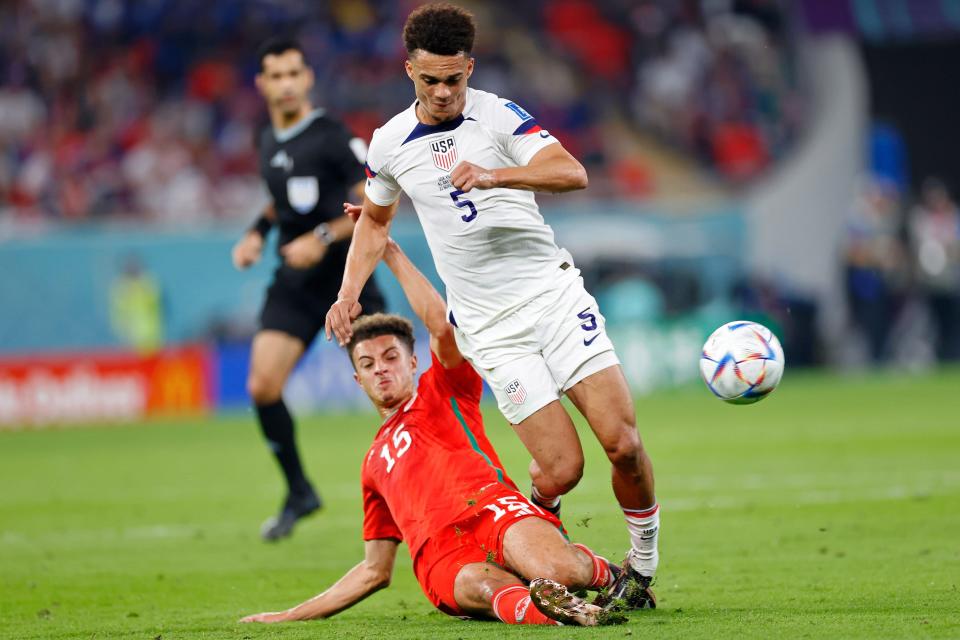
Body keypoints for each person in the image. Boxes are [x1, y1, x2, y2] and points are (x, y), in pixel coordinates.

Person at [325, 3, 659, 603]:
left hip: (551, 296)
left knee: (624, 444)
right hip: (490, 330)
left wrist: (495, 175)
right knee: (562, 470)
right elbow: (373, 223)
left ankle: (642, 566)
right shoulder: (390, 143)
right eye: (432, 80)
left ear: (470, 69)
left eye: (456, 78)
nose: (446, 91)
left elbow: (571, 171)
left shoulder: (498, 115)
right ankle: (543, 526)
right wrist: (347, 294)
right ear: (409, 72)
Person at [241, 237, 632, 627]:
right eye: (367, 363)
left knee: (560, 569)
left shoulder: (444, 388)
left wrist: (388, 249)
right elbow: (374, 570)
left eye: (391, 357)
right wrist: (290, 615)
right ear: (358, 380)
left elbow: (442, 328)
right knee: (482, 586)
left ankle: (607, 576)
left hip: (492, 510)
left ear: (413, 362)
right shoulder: (373, 465)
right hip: (442, 556)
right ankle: (563, 612)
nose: (380, 368)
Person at [232, 37, 385, 541]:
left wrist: (322, 237)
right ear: (262, 84)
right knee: (262, 387)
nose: (286, 83)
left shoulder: (333, 137)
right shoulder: (266, 137)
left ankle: (420, 491)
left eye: (294, 73)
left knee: (392, 401)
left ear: (308, 78)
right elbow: (280, 200)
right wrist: (257, 231)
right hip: (295, 283)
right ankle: (299, 491)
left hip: (349, 279)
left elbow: (370, 206)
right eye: (276, 76)